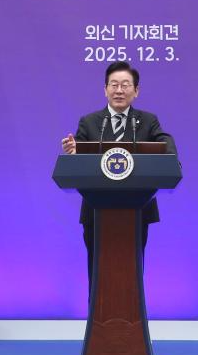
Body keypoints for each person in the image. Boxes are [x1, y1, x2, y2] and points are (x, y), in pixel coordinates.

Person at [61, 61, 176, 284]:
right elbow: (79, 156)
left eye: (125, 85)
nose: (119, 90)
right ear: (105, 90)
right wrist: (74, 152)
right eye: (114, 85)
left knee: (132, 269)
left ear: (136, 91)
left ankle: (133, 308)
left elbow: (165, 144)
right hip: (96, 210)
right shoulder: (89, 122)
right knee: (97, 269)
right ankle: (96, 309)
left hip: (137, 208)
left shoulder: (148, 121)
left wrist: (170, 159)